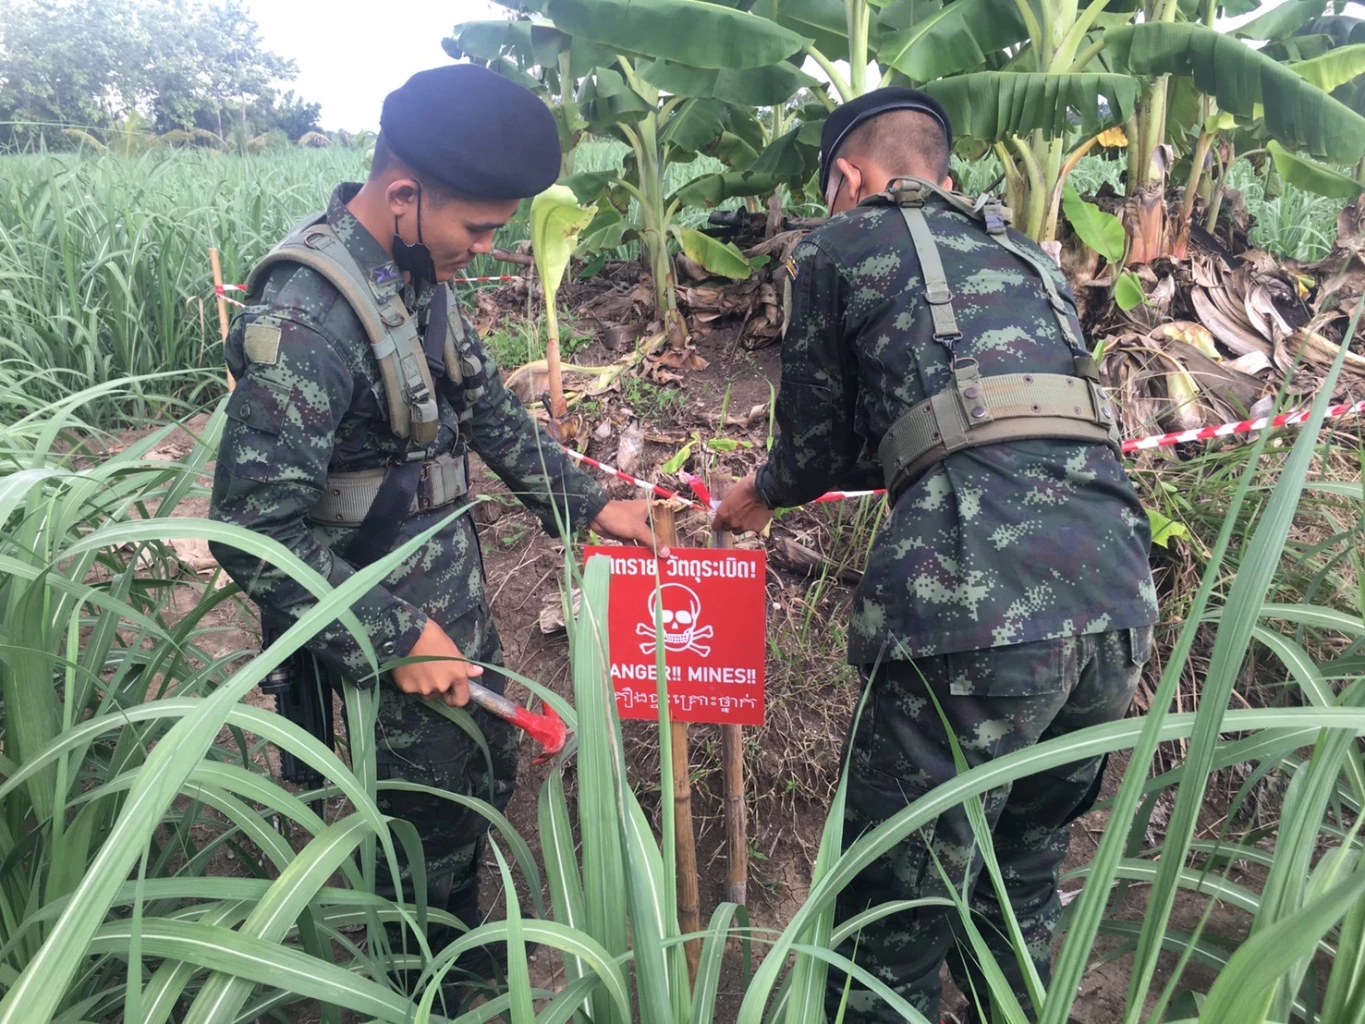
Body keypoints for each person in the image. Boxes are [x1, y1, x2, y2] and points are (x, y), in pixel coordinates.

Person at [714, 88, 1159, 1023]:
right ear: (947, 177)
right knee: (1020, 883)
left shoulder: (837, 245)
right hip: (1116, 599)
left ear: (845, 176)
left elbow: (814, 451)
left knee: (889, 922)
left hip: (974, 609)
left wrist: (756, 497)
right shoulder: (1028, 254)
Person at [209, 64, 657, 983]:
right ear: (404, 193)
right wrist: (390, 637)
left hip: (446, 597)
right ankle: (428, 990)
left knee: (475, 789)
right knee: (418, 839)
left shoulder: (413, 272)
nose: (486, 249)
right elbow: (249, 530)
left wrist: (586, 498)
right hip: (382, 626)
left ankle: (462, 977)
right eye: (478, 228)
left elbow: (485, 404)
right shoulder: (307, 318)